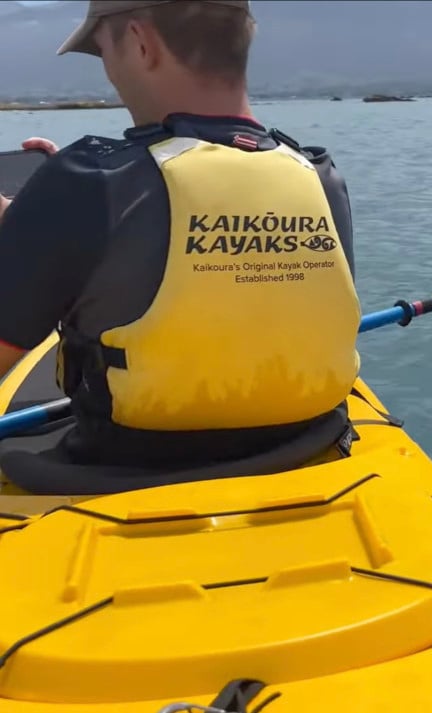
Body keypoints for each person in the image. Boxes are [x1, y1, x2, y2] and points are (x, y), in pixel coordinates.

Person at [0, 0, 362, 471]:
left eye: (104, 50)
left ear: (140, 42)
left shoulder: (85, 181)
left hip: (117, 467)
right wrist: (30, 219)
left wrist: (45, 220)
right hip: (310, 442)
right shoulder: (320, 176)